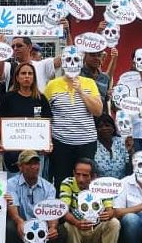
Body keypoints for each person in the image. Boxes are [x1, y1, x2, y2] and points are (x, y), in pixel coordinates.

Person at [44, 47, 103, 188]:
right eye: (68, 60)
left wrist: (81, 91)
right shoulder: (52, 84)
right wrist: (47, 140)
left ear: (81, 62)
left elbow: (98, 111)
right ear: (63, 63)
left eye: (75, 59)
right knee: (61, 180)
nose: (72, 63)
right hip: (61, 143)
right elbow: (46, 116)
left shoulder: (89, 83)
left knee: (85, 181)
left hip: (86, 142)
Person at [58, 158, 120, 243]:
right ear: (73, 173)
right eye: (78, 174)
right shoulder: (68, 183)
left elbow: (110, 208)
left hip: (97, 229)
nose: (80, 179)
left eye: (85, 175)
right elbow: (63, 209)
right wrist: (76, 222)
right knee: (68, 225)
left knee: (114, 223)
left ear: (93, 176)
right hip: (78, 228)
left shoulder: (101, 185)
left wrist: (109, 213)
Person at [5, 150, 62, 243]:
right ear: (20, 166)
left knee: (60, 231)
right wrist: (19, 221)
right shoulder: (11, 184)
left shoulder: (48, 187)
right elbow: (12, 206)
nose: (34, 167)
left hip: (42, 227)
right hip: (22, 223)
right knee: (9, 227)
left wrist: (52, 227)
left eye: (36, 163)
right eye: (29, 164)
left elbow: (52, 211)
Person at [0, 61, 52, 177]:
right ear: (17, 77)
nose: (27, 76)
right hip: (12, 153)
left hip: (36, 152)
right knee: (13, 185)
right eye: (23, 73)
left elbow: (47, 123)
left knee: (35, 184)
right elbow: (0, 120)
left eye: (30, 74)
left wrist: (49, 143)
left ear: (34, 77)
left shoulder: (41, 99)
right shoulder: (8, 98)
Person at [0, 33, 68, 92]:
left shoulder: (42, 65)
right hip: (15, 110)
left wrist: (67, 33)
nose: (15, 48)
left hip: (38, 108)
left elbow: (67, 57)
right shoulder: (9, 66)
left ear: (29, 47)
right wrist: (1, 47)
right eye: (13, 46)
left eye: (19, 46)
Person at [92, 115, 130, 179]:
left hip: (121, 183)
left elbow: (129, 164)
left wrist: (130, 151)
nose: (104, 128)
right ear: (96, 129)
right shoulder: (93, 145)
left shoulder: (121, 142)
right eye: (100, 126)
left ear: (113, 128)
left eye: (107, 125)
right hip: (100, 185)